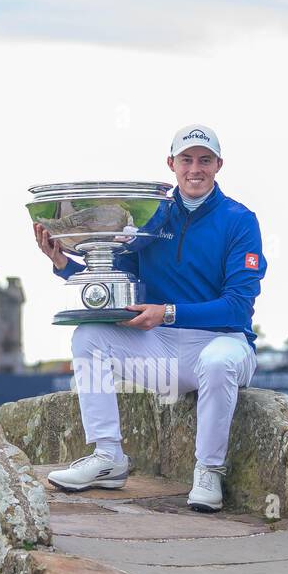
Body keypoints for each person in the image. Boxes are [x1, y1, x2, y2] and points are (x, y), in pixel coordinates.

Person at [33, 123, 264, 512]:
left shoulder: (239, 219)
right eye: (187, 160)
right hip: (161, 350)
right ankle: (108, 458)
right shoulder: (150, 217)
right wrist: (63, 262)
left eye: (204, 160)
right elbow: (114, 285)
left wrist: (167, 313)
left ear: (218, 165)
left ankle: (208, 471)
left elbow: (238, 306)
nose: (195, 169)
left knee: (219, 360)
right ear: (171, 163)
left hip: (223, 343)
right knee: (88, 335)